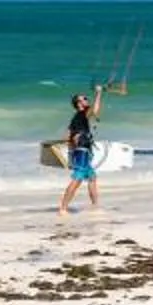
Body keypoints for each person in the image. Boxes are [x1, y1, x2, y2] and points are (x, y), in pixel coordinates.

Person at [56, 82, 104, 216]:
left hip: (83, 150)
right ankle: (63, 208)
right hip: (82, 150)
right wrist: (99, 93)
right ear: (79, 104)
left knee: (92, 177)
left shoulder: (77, 118)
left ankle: (95, 206)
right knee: (77, 179)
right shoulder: (81, 114)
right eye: (84, 99)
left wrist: (71, 147)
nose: (86, 100)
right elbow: (95, 111)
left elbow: (68, 135)